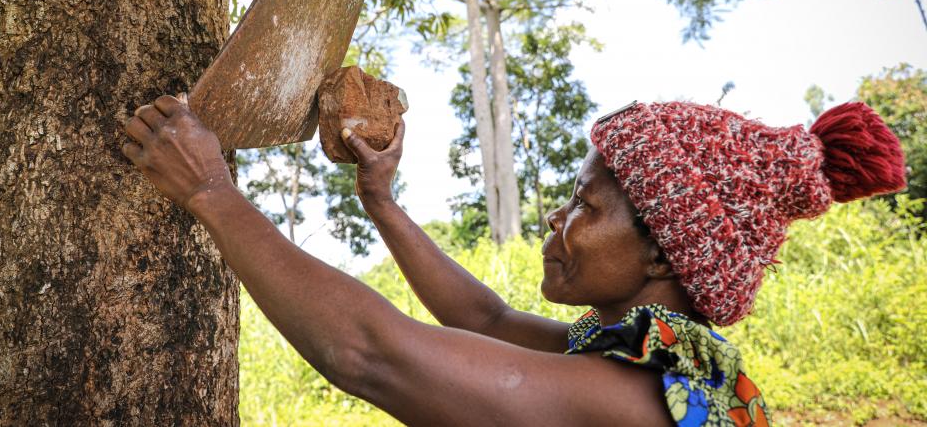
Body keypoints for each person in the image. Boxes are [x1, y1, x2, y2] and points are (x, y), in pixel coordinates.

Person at [121, 94, 906, 426]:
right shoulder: (670, 362)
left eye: (588, 209)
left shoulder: (633, 396)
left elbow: (369, 354)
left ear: (665, 251)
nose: (559, 222)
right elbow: (484, 318)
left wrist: (214, 194)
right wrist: (381, 200)